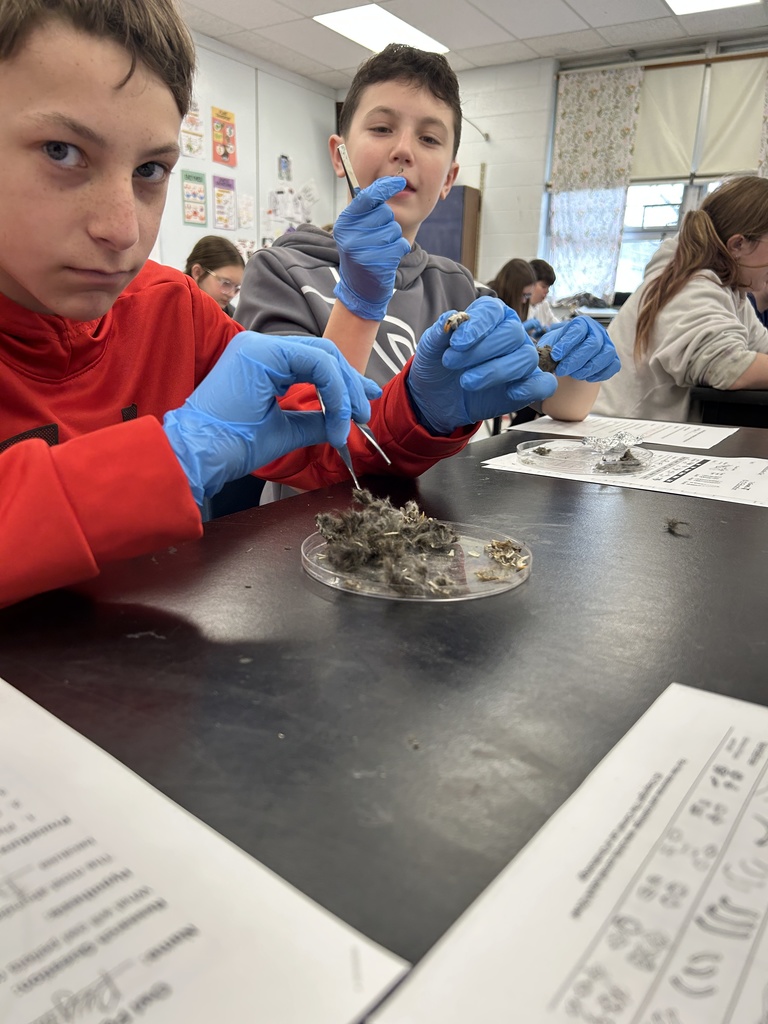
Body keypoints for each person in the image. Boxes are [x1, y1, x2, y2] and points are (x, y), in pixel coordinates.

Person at [0, 0, 389, 609]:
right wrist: (170, 460)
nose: (122, 228)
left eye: (150, 168)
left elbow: (328, 444)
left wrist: (428, 409)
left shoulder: (171, 311)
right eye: (61, 151)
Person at [237, 44, 620, 495]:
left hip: (439, 526)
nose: (403, 150)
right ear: (339, 156)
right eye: (381, 128)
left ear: (449, 179)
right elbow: (290, 437)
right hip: (313, 535)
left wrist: (572, 364)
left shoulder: (458, 286)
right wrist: (359, 299)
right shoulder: (282, 270)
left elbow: (559, 403)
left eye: (430, 139)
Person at [595, 175, 768, 423]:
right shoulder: (690, 284)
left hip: (640, 435)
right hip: (610, 435)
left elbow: (761, 345)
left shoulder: (731, 291)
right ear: (738, 244)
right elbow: (728, 368)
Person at [184, 235, 245, 316]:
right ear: (197, 272)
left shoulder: (231, 317)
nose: (231, 294)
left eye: (237, 288)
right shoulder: (172, 307)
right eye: (226, 283)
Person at [487, 258, 543, 336]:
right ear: (512, 289)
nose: (524, 301)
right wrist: (519, 330)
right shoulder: (490, 301)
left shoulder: (515, 303)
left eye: (528, 295)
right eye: (522, 295)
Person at [528, 258, 560, 329]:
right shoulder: (518, 307)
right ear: (530, 283)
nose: (547, 291)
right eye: (544, 286)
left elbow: (555, 323)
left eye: (548, 287)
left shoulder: (544, 304)